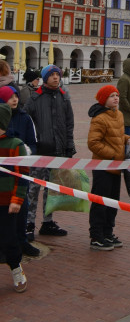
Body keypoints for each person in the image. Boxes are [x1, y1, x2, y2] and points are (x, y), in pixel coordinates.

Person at [25, 64, 76, 239]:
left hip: (58, 150)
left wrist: (69, 145)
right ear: (45, 78)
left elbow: (69, 124)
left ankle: (47, 222)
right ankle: (28, 223)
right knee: (33, 188)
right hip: (39, 152)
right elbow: (27, 122)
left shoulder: (63, 97)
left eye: (58, 74)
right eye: (52, 75)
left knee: (52, 188)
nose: (56, 77)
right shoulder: (35, 98)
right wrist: (32, 145)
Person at [87, 85, 130, 250]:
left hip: (116, 167)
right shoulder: (99, 118)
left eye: (117, 95)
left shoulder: (119, 115)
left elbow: (118, 136)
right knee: (100, 202)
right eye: (112, 96)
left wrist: (129, 139)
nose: (116, 98)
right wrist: (112, 155)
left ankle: (108, 232)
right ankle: (96, 236)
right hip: (103, 167)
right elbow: (93, 143)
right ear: (104, 99)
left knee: (113, 202)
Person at [0, 86, 39, 258]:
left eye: (16, 96)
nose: (14, 99)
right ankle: (5, 246)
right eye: (10, 97)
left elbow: (33, 141)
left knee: (22, 206)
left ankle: (22, 241)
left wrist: (28, 151)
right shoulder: (1, 116)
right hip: (3, 174)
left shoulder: (25, 118)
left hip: (20, 167)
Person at [0, 103, 28, 293]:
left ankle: (16, 269)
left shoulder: (15, 145)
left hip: (7, 203)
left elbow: (23, 175)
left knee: (9, 239)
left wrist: (17, 200)